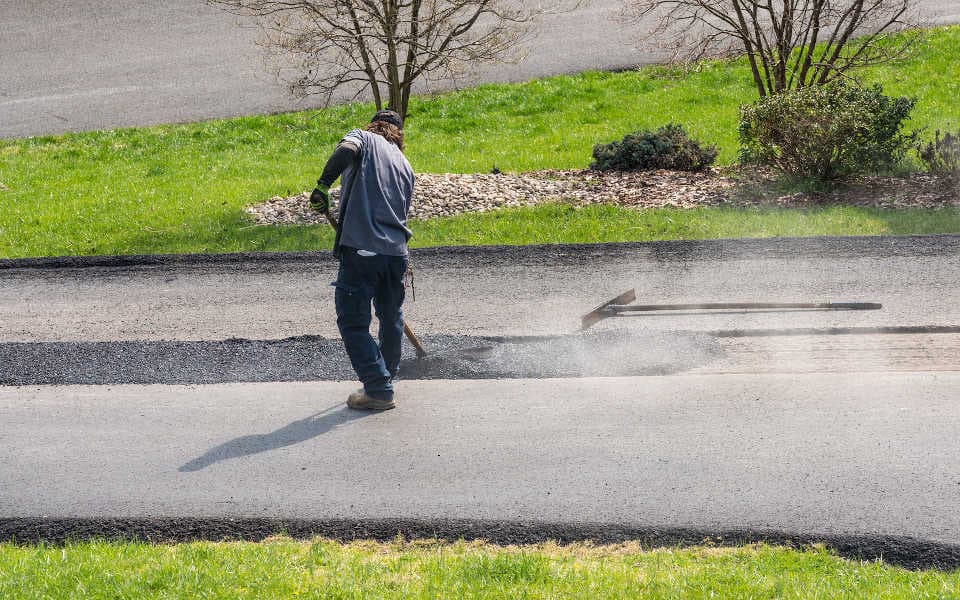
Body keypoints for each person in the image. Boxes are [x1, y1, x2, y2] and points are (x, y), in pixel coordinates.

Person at [309, 110, 414, 411]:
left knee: (353, 322)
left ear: (374, 126)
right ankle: (385, 378)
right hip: (396, 254)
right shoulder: (405, 166)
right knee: (390, 315)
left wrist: (322, 185)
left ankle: (379, 389)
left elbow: (346, 149)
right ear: (398, 134)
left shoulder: (363, 139)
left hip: (362, 251)